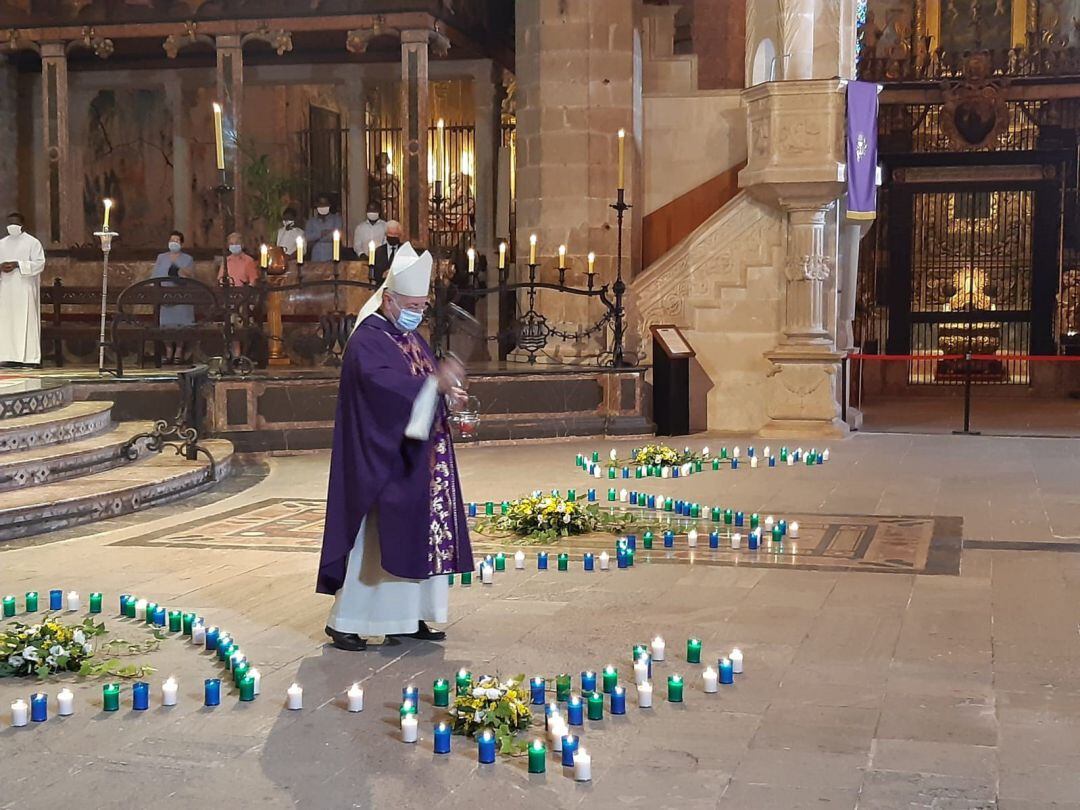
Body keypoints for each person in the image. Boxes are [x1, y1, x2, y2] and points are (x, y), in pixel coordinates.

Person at [317, 242, 473, 651]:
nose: (418, 313)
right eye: (412, 305)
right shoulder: (367, 340)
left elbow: (426, 380)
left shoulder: (409, 335)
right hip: (382, 459)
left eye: (423, 306)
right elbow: (383, 389)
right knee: (376, 541)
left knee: (419, 533)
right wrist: (432, 386)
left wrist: (446, 394)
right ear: (388, 299)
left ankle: (410, 617)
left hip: (418, 456)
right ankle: (347, 620)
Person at [0, 212, 46, 368]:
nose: (12, 225)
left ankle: (29, 358)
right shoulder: (2, 243)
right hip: (5, 290)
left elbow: (39, 264)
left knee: (26, 321)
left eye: (15, 222)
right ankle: (7, 356)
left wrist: (18, 264)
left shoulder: (32, 243)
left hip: (25, 288)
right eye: (9, 222)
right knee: (6, 322)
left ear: (22, 224)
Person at [151, 230, 195, 365]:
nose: (173, 243)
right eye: (171, 240)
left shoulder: (187, 259)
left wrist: (179, 272)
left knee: (181, 323)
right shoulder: (161, 257)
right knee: (165, 324)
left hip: (181, 295)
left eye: (176, 241)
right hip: (164, 295)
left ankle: (179, 350)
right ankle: (168, 350)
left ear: (181, 243)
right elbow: (155, 275)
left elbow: (190, 276)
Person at [218, 232, 259, 360]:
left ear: (242, 244)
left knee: (240, 326)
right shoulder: (226, 261)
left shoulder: (248, 260)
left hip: (243, 300)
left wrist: (249, 299)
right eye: (231, 244)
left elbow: (253, 280)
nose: (234, 246)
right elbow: (220, 279)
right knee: (230, 325)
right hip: (229, 299)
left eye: (236, 243)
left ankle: (241, 355)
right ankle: (234, 354)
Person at [303, 194, 343, 262]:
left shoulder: (336, 219)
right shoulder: (311, 222)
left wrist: (316, 237)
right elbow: (307, 237)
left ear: (329, 205)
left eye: (325, 204)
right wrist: (321, 233)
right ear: (316, 205)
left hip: (332, 256)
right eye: (320, 204)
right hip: (316, 257)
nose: (323, 206)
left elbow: (336, 235)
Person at [370, 220, 404, 285]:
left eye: (395, 234)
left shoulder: (404, 250)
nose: (393, 236)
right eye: (390, 234)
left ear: (400, 235)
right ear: (386, 234)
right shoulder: (378, 251)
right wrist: (383, 275)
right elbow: (374, 274)